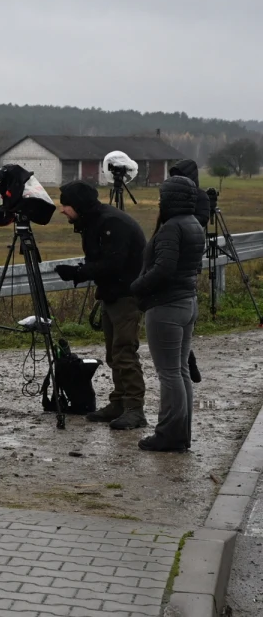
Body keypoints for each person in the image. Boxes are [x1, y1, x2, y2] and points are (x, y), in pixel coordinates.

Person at [54, 180, 147, 429]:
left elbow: (113, 264)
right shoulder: (95, 221)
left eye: (66, 205)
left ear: (79, 205)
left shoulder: (111, 223)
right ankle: (118, 403)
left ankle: (135, 409)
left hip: (127, 295)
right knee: (113, 353)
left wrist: (78, 273)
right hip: (113, 294)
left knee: (124, 352)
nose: (62, 210)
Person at [131, 175, 205, 452]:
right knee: (181, 371)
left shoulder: (172, 227)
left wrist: (135, 288)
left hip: (166, 307)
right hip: (187, 302)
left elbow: (164, 268)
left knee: (169, 373)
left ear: (171, 199)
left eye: (162, 196)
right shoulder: (194, 223)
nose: (159, 201)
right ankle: (180, 433)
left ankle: (168, 435)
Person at [169, 159, 207, 383]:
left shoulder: (200, 197)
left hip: (189, 260)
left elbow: (201, 220)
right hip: (173, 253)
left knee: (184, 310)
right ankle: (187, 355)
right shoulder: (173, 195)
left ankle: (187, 356)